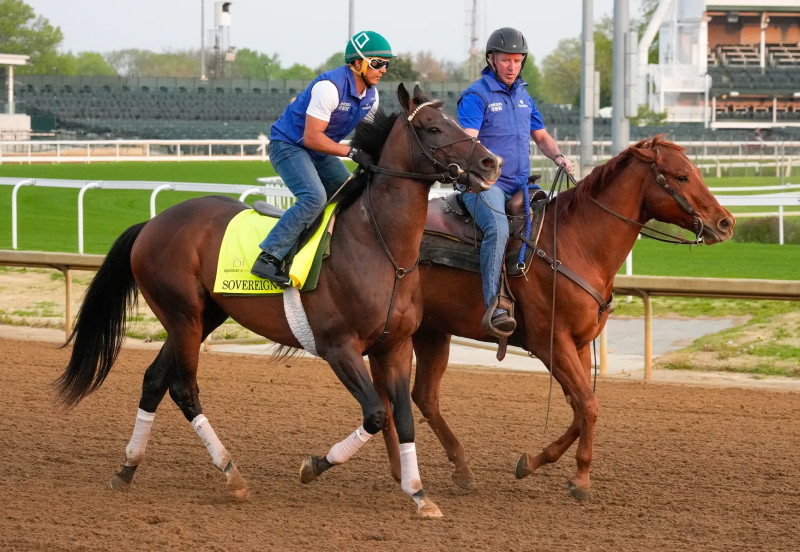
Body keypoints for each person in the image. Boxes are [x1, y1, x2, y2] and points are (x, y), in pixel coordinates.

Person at [251, 31, 394, 286]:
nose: (383, 70)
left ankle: (333, 248)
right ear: (357, 63)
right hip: (289, 146)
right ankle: (268, 257)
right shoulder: (329, 88)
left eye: (386, 64)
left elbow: (371, 139)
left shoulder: (372, 97)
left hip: (319, 151)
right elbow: (312, 138)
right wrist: (351, 152)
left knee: (353, 190)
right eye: (377, 63)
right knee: (314, 196)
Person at [457, 27, 573, 336]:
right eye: (506, 60)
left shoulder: (524, 95)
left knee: (555, 220)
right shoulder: (476, 95)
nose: (512, 67)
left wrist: (558, 157)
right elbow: (467, 144)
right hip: (485, 186)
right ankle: (495, 306)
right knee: (498, 228)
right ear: (491, 60)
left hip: (521, 184)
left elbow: (541, 136)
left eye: (518, 61)